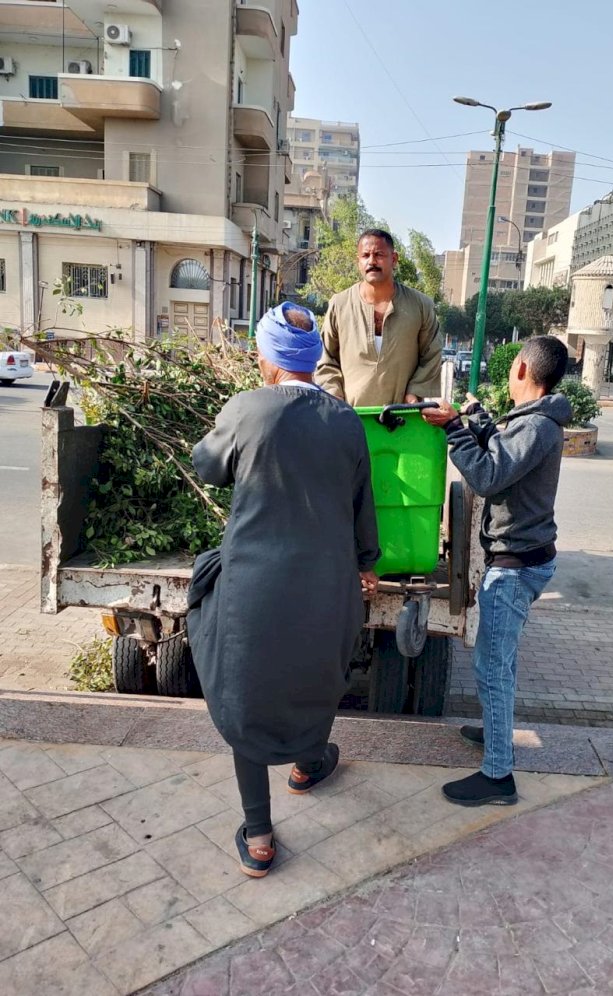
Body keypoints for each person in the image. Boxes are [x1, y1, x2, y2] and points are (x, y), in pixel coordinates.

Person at [187, 303, 380, 878]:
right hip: (326, 583)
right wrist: (367, 564)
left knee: (247, 687)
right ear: (313, 358)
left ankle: (261, 834)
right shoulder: (345, 420)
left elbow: (207, 466)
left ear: (269, 360)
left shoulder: (247, 409)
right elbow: (360, 508)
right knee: (314, 671)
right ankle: (309, 763)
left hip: (256, 586)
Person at [422, 336, 572, 807]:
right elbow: (503, 455)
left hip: (513, 568)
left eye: (512, 369)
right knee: (497, 663)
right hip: (522, 559)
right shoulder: (533, 422)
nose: (509, 376)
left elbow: (487, 476)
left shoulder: (540, 427)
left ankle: (498, 777)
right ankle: (495, 732)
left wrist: (452, 430)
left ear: (524, 370)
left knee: (493, 668)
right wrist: (474, 420)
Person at [316, 229, 443, 406]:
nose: (372, 261)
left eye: (379, 254)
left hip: (401, 419)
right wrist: (334, 396)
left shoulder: (420, 305)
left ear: (394, 259)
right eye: (365, 255)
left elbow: (432, 354)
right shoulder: (340, 304)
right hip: (349, 419)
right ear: (358, 261)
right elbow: (325, 357)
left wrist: (414, 393)